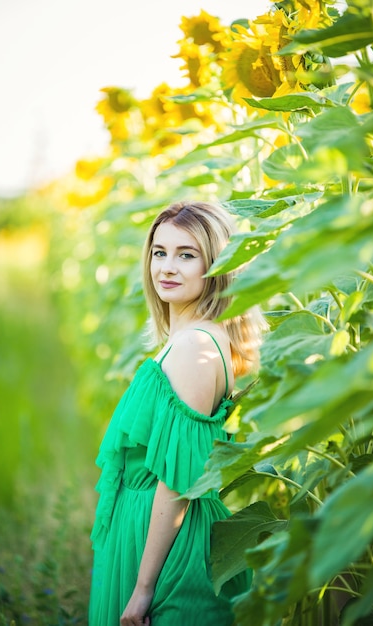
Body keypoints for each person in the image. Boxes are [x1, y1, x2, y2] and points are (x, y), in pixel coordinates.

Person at [89, 200, 266, 626]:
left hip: (166, 550)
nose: (167, 267)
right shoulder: (191, 337)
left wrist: (144, 589)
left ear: (217, 266)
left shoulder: (195, 348)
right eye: (159, 252)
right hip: (151, 532)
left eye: (186, 255)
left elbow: (176, 483)